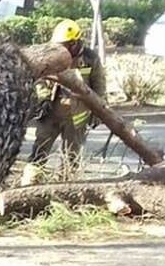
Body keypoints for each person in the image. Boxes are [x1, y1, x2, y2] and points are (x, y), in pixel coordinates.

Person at [20, 19, 105, 185]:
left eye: (64, 45)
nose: (61, 49)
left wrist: (98, 112)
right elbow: (40, 81)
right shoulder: (51, 56)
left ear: (74, 44)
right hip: (50, 113)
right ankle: (29, 186)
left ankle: (67, 189)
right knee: (39, 151)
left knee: (71, 157)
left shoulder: (89, 58)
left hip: (77, 117)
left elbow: (99, 86)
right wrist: (43, 99)